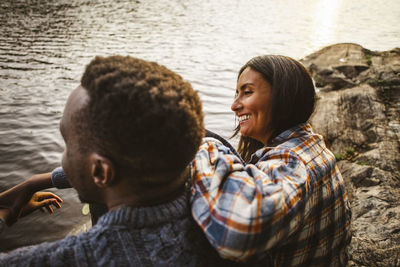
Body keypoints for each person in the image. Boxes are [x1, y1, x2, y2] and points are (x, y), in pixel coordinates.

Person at [0, 55, 224, 266]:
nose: (64, 156)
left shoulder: (60, 259)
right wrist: (37, 182)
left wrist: (3, 216)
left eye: (67, 146)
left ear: (100, 171)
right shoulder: (221, 214)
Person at [190, 55, 352, 266]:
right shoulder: (312, 145)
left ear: (282, 96)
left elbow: (235, 237)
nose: (234, 105)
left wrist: (203, 146)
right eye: (236, 94)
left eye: (247, 92)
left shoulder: (290, 162)